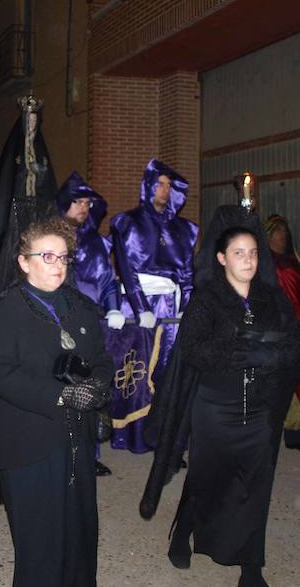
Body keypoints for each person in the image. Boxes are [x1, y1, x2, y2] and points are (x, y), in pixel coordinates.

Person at [139, 205, 300, 587]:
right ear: (221, 258)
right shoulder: (208, 299)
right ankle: (183, 532)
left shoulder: (272, 297)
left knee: (256, 483)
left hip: (261, 407)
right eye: (238, 253)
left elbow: (298, 343)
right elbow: (194, 348)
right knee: (208, 477)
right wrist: (236, 352)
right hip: (216, 406)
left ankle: (251, 565)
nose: (247, 260)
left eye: (253, 252)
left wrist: (271, 353)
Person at [0, 216, 113, 587]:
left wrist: (99, 387)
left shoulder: (80, 305)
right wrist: (60, 395)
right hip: (29, 444)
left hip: (77, 441)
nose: (58, 265)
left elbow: (102, 358)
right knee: (39, 539)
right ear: (24, 262)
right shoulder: (6, 309)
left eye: (64, 257)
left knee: (79, 532)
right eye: (47, 256)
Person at [108, 159, 198, 453]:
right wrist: (140, 305)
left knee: (169, 370)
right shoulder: (127, 222)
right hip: (137, 306)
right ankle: (133, 436)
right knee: (135, 370)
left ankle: (167, 438)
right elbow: (125, 266)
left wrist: (186, 306)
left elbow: (186, 273)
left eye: (169, 185)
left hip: (169, 306)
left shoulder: (183, 229)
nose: (164, 189)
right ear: (148, 186)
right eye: (159, 184)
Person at [57, 171, 121, 477]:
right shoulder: (52, 237)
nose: (83, 207)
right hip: (61, 324)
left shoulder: (98, 242)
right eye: (77, 202)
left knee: (92, 386)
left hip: (94, 325)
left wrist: (114, 309)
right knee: (65, 388)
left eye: (87, 202)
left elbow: (108, 282)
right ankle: (63, 452)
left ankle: (88, 453)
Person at [263, 214, 300, 454]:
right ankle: (285, 435)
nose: (282, 235)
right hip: (281, 334)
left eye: (284, 231)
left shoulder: (292, 262)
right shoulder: (267, 265)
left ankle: (295, 434)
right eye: (277, 231)